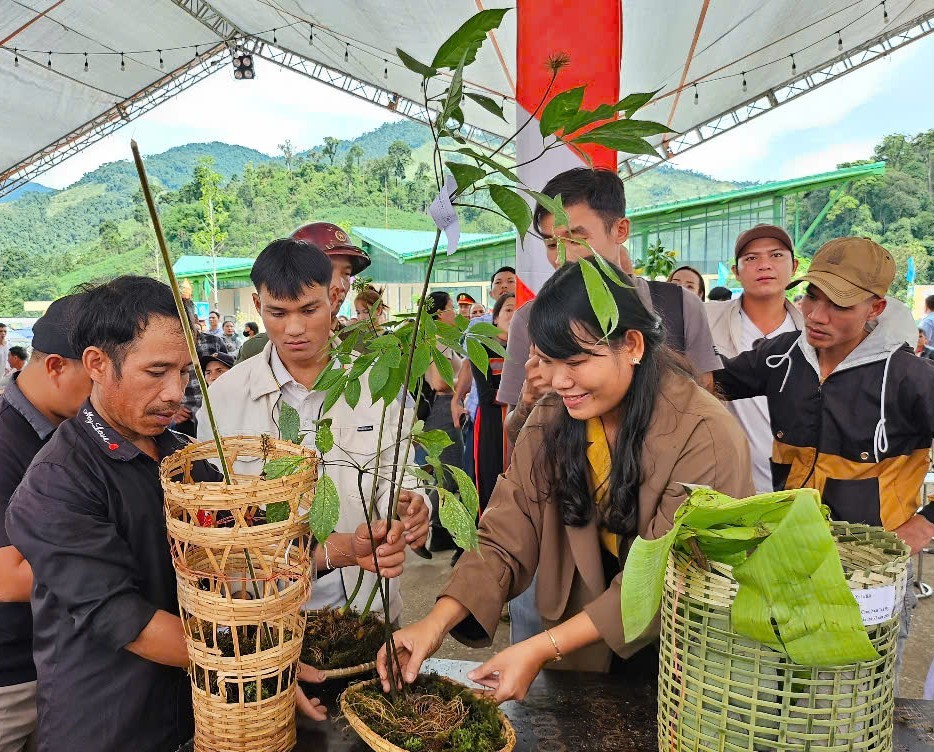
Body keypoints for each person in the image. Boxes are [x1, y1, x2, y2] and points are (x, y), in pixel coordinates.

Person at [376, 260, 753, 702]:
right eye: (547, 361)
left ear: (631, 344)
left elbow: (663, 582)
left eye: (575, 361)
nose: (558, 381)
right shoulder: (555, 415)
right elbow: (504, 533)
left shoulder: (706, 435)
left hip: (679, 658)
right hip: (585, 650)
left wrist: (538, 649)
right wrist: (433, 623)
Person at [200, 239, 429, 623]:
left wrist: (412, 507)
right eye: (277, 312)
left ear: (334, 297)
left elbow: (399, 472)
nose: (294, 328)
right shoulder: (224, 399)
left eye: (309, 309)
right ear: (258, 306)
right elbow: (220, 517)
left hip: (368, 609)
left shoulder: (378, 383)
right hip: (272, 613)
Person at [714, 237, 934, 552]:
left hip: (870, 562)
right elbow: (712, 381)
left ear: (875, 308)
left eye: (839, 304)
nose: (816, 315)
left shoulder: (909, 378)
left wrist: (924, 524)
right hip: (790, 545)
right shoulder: (782, 355)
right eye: (812, 297)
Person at [498, 168, 722, 450]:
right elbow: (513, 436)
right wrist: (529, 399)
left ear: (620, 230)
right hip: (568, 484)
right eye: (552, 244)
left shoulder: (679, 306)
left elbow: (705, 404)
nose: (562, 257)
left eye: (576, 239)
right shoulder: (530, 319)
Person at [0, 294, 91, 752]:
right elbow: (8, 578)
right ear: (55, 366)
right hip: (12, 679)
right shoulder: (5, 440)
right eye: (96, 375)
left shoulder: (74, 430)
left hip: (65, 666)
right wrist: (110, 557)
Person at [705, 224, 803, 492]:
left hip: (798, 487)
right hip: (724, 486)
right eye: (751, 258)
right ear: (736, 271)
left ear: (794, 266)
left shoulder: (810, 333)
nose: (764, 265)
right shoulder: (706, 320)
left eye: (776, 255)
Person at [236, 222, 373, 364]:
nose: (340, 285)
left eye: (346, 274)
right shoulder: (256, 351)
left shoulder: (367, 345)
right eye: (327, 272)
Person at [452, 266, 518, 483]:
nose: (504, 286)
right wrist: (457, 398)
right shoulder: (477, 325)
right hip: (483, 412)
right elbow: (468, 365)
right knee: (482, 469)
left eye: (510, 281)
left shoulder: (529, 332)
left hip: (518, 416)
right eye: (498, 282)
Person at [422, 291, 465, 556]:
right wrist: (465, 386)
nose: (456, 313)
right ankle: (426, 522)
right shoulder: (437, 339)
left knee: (444, 471)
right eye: (452, 308)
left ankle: (439, 530)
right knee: (448, 472)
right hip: (442, 409)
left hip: (440, 409)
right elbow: (440, 381)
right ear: (439, 313)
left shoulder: (435, 338)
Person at [471, 293, 515, 513]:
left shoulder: (529, 348)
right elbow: (487, 395)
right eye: (508, 309)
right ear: (495, 318)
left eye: (518, 309)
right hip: (492, 424)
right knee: (491, 476)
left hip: (520, 422)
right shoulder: (482, 348)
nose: (514, 314)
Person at [173, 299, 230, 437]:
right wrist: (174, 409)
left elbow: (229, 376)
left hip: (219, 417)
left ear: (195, 319)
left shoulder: (215, 342)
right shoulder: (168, 349)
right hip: (187, 418)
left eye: (185, 319)